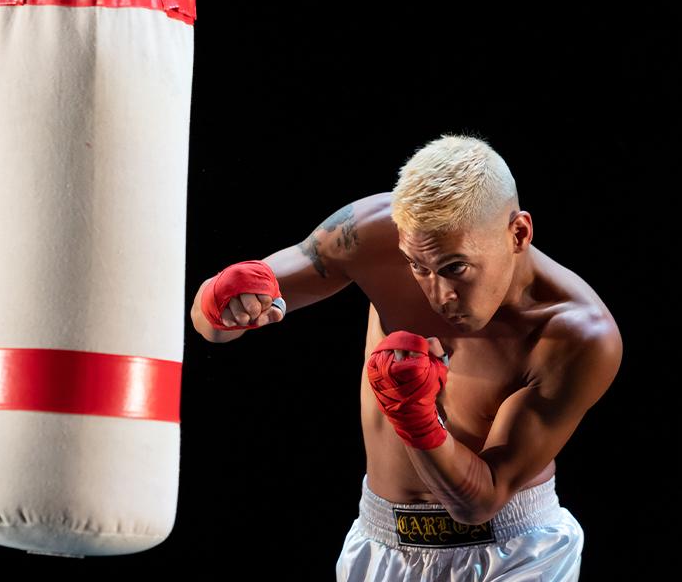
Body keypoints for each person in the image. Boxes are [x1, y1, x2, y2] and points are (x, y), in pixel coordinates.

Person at [190, 134, 622, 581]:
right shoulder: (371, 233)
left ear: (518, 233)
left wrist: (413, 414)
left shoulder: (577, 335)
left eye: (456, 267)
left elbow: (479, 501)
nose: (439, 295)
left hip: (513, 552)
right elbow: (214, 329)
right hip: (379, 544)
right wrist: (219, 298)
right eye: (419, 267)